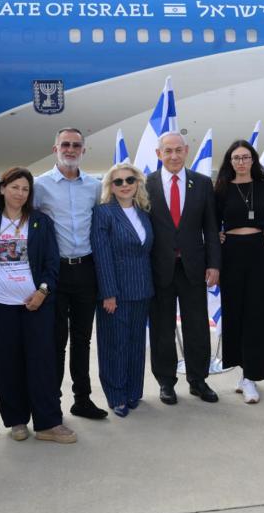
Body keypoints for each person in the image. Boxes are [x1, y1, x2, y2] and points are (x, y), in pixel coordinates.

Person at [0, 167, 77, 443]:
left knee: (42, 363)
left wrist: (43, 292)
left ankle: (48, 423)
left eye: (25, 189)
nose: (20, 193)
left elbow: (51, 262)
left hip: (35, 304)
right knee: (6, 364)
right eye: (14, 187)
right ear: (2, 189)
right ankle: (16, 421)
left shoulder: (40, 222)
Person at [33, 128, 107, 420]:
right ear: (55, 149)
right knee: (55, 340)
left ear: (83, 151)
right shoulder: (40, 186)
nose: (71, 149)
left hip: (85, 270)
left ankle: (82, 399)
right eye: (65, 144)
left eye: (77, 145)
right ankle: (53, 402)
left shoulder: (94, 186)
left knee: (82, 339)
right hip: (55, 272)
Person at [146, 131, 222, 405]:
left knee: (197, 327)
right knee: (162, 328)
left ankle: (198, 380)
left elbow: (211, 228)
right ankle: (166, 382)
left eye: (178, 150)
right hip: (159, 269)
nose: (174, 156)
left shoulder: (201, 184)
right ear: (159, 154)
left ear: (187, 151)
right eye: (168, 151)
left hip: (194, 268)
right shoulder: (146, 184)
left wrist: (214, 264)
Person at [91, 163, 155, 417]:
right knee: (114, 344)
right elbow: (102, 255)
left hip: (142, 289)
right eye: (118, 182)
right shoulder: (103, 213)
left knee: (136, 344)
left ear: (138, 182)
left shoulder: (144, 214)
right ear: (111, 187)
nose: (125, 185)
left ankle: (133, 391)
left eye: (130, 179)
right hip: (114, 292)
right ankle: (116, 395)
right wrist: (108, 293)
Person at [214, 140, 264, 404]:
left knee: (257, 314)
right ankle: (241, 372)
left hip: (258, 252)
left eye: (245, 157)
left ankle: (251, 377)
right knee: (235, 313)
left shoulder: (261, 186)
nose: (241, 162)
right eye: (236, 158)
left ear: (253, 160)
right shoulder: (222, 189)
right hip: (232, 253)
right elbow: (212, 220)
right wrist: (216, 235)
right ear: (230, 161)